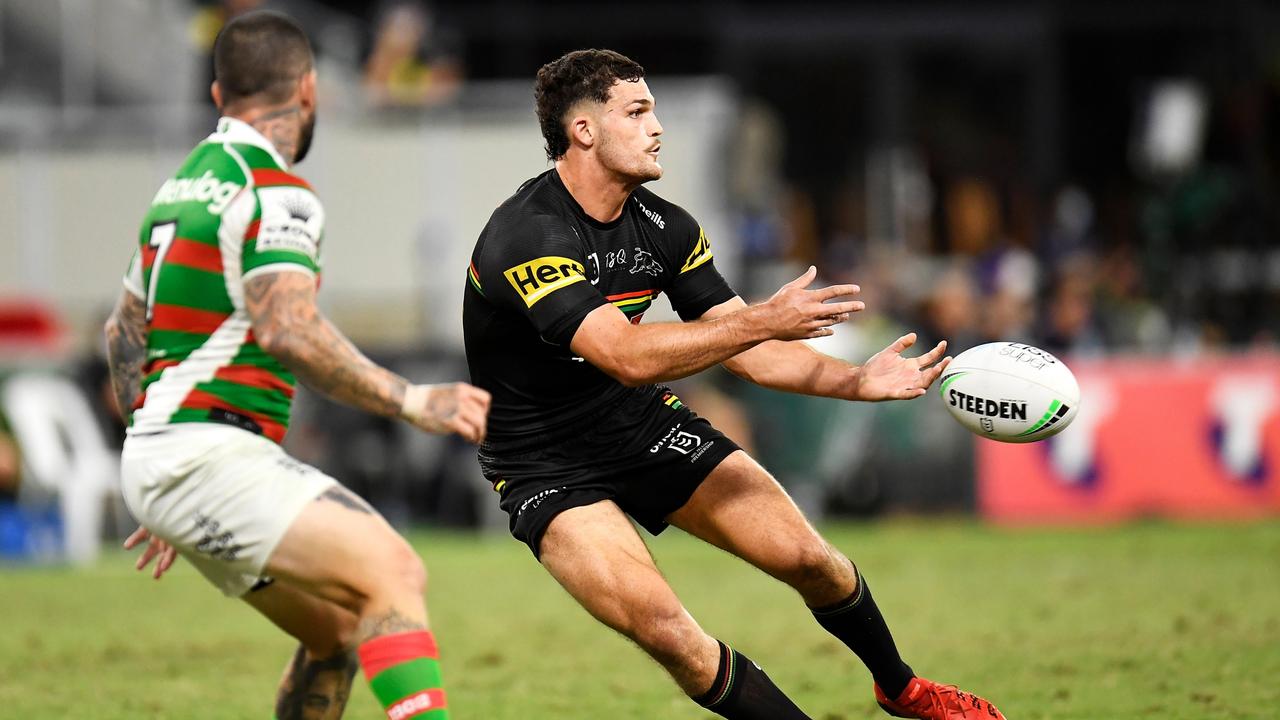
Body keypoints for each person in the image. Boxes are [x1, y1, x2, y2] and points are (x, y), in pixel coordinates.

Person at [462, 49, 1006, 720]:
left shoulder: (665, 227)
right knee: (671, 634)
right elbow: (625, 354)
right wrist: (763, 318)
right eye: (637, 112)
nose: (656, 126)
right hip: (542, 463)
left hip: (637, 425)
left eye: (653, 109)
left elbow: (750, 354)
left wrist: (855, 380)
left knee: (812, 559)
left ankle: (903, 689)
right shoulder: (527, 235)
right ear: (583, 132)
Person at [105, 11, 489, 720]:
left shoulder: (178, 189)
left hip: (169, 454)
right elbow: (288, 330)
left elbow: (123, 335)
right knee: (395, 571)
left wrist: (158, 457)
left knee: (335, 632)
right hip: (207, 454)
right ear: (309, 89)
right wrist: (412, 400)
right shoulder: (273, 191)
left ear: (219, 97)